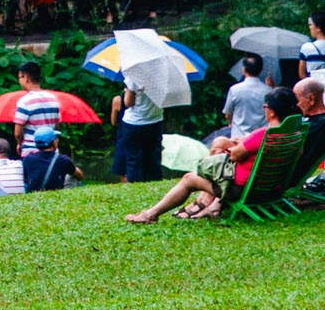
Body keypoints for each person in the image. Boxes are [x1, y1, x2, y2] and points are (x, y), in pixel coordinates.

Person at [126, 88, 299, 222]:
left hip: (244, 191)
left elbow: (235, 156)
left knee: (188, 179)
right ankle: (208, 205)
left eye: (265, 107)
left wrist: (235, 148)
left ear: (271, 111)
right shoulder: (295, 133)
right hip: (273, 189)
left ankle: (150, 214)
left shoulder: (264, 134)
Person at [113, 66, 164, 183]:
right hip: (155, 121)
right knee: (153, 157)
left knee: (134, 158)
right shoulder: (163, 76)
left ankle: (136, 184)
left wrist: (127, 92)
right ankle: (154, 182)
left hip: (134, 123)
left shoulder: (135, 76)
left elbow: (128, 103)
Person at [11, 62, 61, 157]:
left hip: (31, 151)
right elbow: (57, 127)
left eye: (20, 78)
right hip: (52, 151)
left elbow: (18, 133)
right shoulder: (53, 99)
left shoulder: (24, 101)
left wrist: (19, 143)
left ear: (26, 77)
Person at [223, 53, 271, 139]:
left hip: (238, 139)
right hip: (260, 139)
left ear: (244, 69)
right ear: (261, 69)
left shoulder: (234, 90)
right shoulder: (269, 91)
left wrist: (230, 123)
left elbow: (228, 114)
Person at [21, 126, 81, 192]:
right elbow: (80, 176)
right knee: (73, 177)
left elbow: (26, 179)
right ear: (54, 142)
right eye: (56, 138)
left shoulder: (27, 159)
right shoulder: (63, 160)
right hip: (56, 195)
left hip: (33, 195)